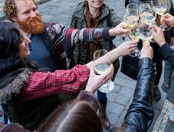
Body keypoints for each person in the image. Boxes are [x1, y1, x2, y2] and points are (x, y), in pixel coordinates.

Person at [0, 21, 137, 130]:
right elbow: (74, 76)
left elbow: (76, 34)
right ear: (10, 50)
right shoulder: (28, 83)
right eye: (20, 40)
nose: (28, 41)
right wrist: (117, 52)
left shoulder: (9, 70)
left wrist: (111, 32)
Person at [2, 0, 128, 71]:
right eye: (26, 12)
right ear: (13, 17)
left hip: (58, 92)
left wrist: (112, 31)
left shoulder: (51, 30)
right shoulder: (6, 42)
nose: (34, 14)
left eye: (35, 9)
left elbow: (79, 34)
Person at [70, 0, 122, 129]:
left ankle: (102, 113)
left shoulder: (108, 12)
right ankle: (86, 116)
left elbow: (118, 21)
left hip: (103, 60)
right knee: (84, 90)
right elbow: (71, 35)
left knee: (102, 90)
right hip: (83, 59)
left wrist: (124, 25)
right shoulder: (77, 14)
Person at [125, 0, 174, 101]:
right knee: (146, 64)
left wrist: (172, 33)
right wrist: (141, 19)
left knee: (159, 63)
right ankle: (144, 89)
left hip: (161, 37)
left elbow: (171, 12)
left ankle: (154, 86)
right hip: (146, 39)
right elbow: (135, 5)